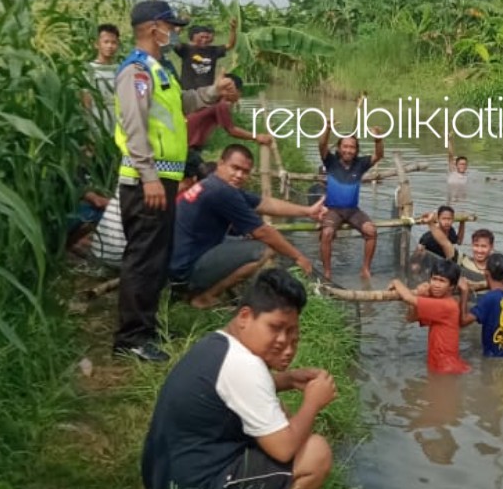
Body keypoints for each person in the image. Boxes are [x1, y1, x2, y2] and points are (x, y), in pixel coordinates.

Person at [113, 0, 237, 363]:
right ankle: (131, 339)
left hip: (162, 179)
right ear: (154, 28)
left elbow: (182, 103)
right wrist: (149, 176)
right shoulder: (136, 71)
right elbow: (134, 127)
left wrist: (213, 92)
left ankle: (145, 329)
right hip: (145, 182)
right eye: (171, 26)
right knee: (143, 258)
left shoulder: (159, 69)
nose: (176, 32)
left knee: (155, 256)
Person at [141, 268, 337, 489]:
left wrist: (288, 380)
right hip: (194, 480)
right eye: (275, 327)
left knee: (274, 411)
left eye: (290, 331)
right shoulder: (244, 365)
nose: (283, 340)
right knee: (315, 453)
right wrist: (313, 402)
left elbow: (226, 393)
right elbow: (284, 449)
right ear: (245, 316)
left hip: (167, 471)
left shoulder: (220, 343)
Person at [170, 144, 328, 309]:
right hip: (184, 269)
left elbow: (264, 203)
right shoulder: (222, 191)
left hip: (179, 259)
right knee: (262, 250)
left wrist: (307, 211)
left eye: (245, 172)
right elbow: (262, 231)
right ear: (221, 163)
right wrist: (298, 257)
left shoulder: (213, 184)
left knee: (239, 240)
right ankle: (203, 297)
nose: (239, 175)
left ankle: (196, 290)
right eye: (235, 168)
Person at [183, 72, 273, 190]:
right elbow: (231, 129)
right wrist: (257, 137)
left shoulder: (211, 101)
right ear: (231, 90)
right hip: (188, 147)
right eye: (239, 91)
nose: (239, 95)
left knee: (192, 179)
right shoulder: (221, 104)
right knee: (203, 179)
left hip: (187, 146)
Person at [317, 120, 384, 279]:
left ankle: (365, 269)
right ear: (339, 148)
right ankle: (327, 271)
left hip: (353, 210)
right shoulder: (331, 161)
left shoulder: (360, 164)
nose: (348, 150)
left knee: (371, 231)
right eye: (345, 146)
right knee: (326, 233)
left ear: (356, 150)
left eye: (352, 147)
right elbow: (322, 146)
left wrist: (378, 139)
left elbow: (379, 155)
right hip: (333, 210)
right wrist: (327, 129)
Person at [388, 259, 470, 375]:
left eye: (442, 281)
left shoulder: (446, 305)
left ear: (451, 286)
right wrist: (421, 294)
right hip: (440, 364)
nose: (436, 285)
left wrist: (396, 282)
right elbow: (410, 318)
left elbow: (408, 298)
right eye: (434, 279)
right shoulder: (439, 302)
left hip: (445, 368)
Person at [459, 253, 503, 357]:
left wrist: (464, 292)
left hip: (492, 357)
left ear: (486, 273)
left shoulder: (489, 298)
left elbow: (463, 321)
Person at [174, 18, 237, 89]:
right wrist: (178, 29)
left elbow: (230, 45)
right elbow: (174, 43)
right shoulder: (186, 49)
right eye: (201, 37)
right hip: (188, 91)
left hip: (207, 91)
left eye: (207, 37)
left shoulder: (213, 50)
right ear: (193, 37)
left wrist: (233, 29)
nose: (204, 40)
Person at [82, 23, 121, 134]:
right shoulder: (89, 70)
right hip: (98, 124)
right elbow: (86, 104)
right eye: (106, 42)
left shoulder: (120, 70)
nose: (110, 46)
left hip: (118, 124)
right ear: (97, 44)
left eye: (113, 43)